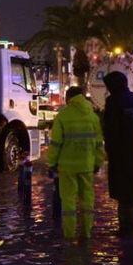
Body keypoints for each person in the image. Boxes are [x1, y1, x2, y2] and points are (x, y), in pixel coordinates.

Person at [46, 86, 105, 241]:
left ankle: (69, 236)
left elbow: (56, 144)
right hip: (87, 165)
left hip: (67, 167)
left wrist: (52, 163)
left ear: (68, 98)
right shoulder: (92, 117)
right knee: (87, 200)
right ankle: (86, 234)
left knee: (68, 202)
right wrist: (98, 162)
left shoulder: (63, 116)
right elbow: (99, 144)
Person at [101, 71, 133, 237]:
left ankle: (126, 229)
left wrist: (109, 149)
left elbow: (111, 128)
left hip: (120, 153)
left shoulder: (113, 101)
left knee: (123, 194)